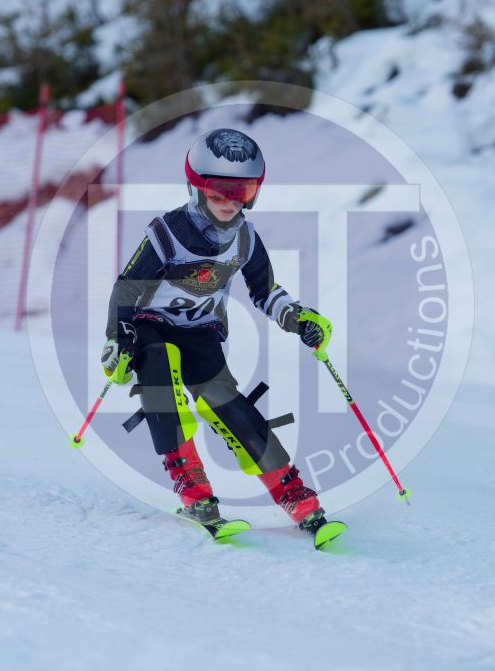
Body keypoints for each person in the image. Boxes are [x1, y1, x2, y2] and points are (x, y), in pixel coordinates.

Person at [101, 127, 336, 538]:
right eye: (218, 193)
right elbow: (126, 288)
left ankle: (291, 491)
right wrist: (118, 338)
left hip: (201, 331)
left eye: (242, 192)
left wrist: (297, 318)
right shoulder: (168, 232)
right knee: (160, 368)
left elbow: (265, 291)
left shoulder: (245, 238)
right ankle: (193, 489)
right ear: (196, 189)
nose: (230, 202)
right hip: (150, 326)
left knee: (226, 403)